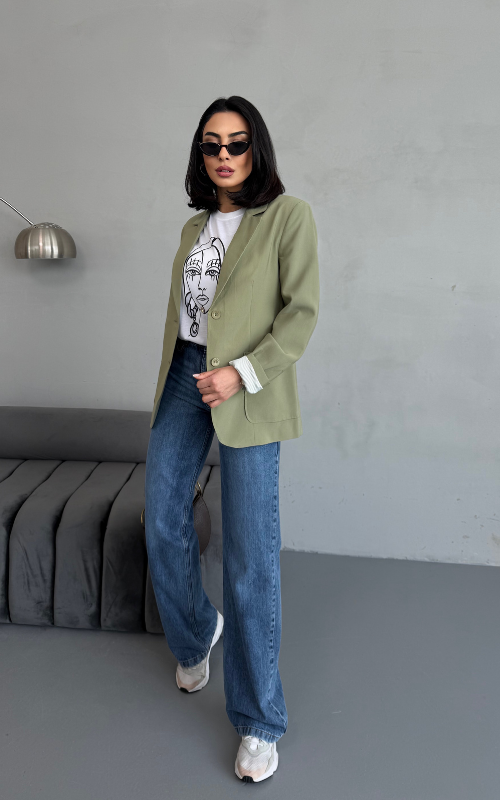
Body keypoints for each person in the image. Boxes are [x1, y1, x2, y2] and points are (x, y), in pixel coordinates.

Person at [144, 95, 320, 783]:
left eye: (237, 143)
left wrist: (240, 373)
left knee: (250, 557)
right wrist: (198, 371)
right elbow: (192, 317)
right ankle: (197, 632)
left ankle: (258, 721)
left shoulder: (287, 217)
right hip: (186, 375)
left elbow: (300, 315)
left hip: (246, 384)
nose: (224, 155)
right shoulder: (195, 227)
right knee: (161, 517)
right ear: (201, 154)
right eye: (212, 144)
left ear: (257, 149)